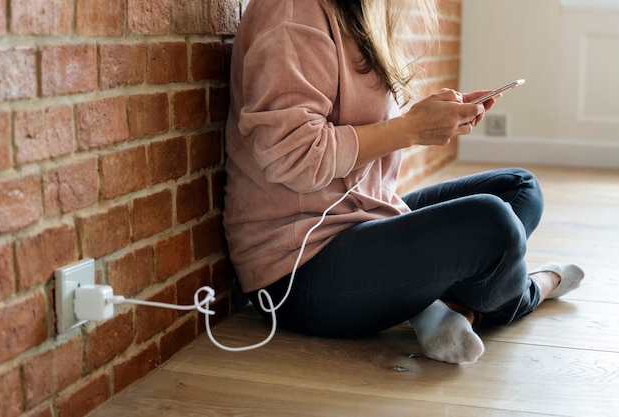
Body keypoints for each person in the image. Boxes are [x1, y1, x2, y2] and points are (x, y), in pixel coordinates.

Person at [223, 0, 585, 364]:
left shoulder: (355, 12)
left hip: (366, 218)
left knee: (520, 187)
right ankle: (531, 289)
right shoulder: (293, 12)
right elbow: (293, 156)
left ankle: (438, 304)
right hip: (299, 271)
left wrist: (427, 119)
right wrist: (411, 129)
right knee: (493, 222)